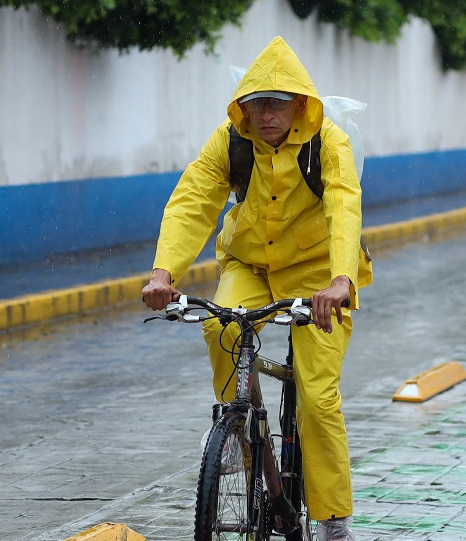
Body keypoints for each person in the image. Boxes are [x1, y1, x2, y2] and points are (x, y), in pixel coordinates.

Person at [142, 36, 372, 541]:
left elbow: (343, 207)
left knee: (317, 397)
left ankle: (334, 520)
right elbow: (193, 199)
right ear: (242, 106)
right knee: (221, 324)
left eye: (278, 102)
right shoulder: (230, 140)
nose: (266, 114)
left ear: (300, 105)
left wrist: (340, 280)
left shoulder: (327, 142)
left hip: (319, 277)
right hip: (252, 264)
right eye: (256, 103)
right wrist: (164, 273)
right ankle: (237, 436)